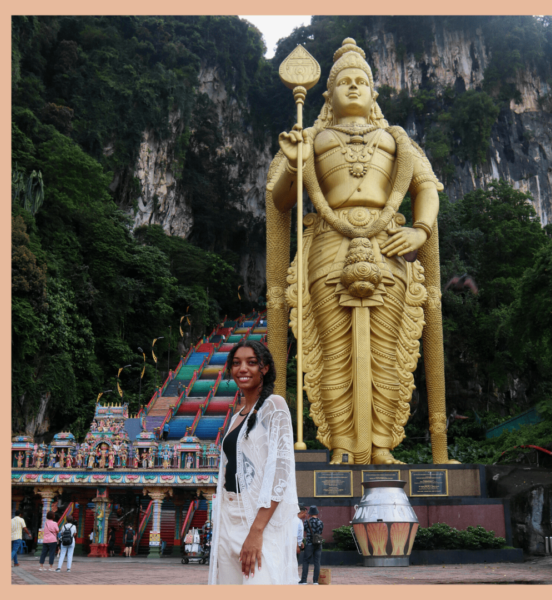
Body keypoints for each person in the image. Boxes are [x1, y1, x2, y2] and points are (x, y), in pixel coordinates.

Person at [267, 38, 456, 465]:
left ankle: (384, 446)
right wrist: (296, 162)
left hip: (389, 242)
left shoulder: (397, 141)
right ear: (329, 95)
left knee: (388, 348)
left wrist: (421, 231)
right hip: (328, 245)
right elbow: (279, 201)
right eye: (344, 82)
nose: (353, 87)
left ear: (373, 94)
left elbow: (425, 187)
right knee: (333, 349)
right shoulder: (311, 136)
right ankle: (339, 445)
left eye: (361, 81)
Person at [208, 339, 299, 585]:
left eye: (251, 362)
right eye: (236, 363)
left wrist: (257, 531)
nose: (242, 369)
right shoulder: (237, 416)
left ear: (265, 368)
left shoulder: (274, 407)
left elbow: (280, 472)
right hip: (228, 517)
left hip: (259, 520)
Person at [299, 506, 324, 585]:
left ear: (309, 513)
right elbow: (320, 532)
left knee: (306, 561)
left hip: (309, 543)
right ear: (317, 513)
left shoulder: (307, 522)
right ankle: (315, 581)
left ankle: (304, 580)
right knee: (317, 562)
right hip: (318, 544)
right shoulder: (320, 522)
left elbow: (305, 530)